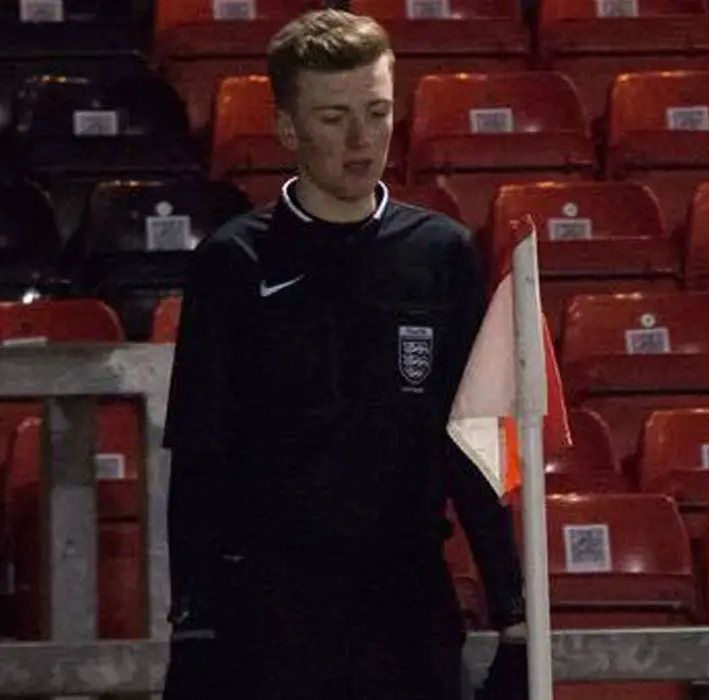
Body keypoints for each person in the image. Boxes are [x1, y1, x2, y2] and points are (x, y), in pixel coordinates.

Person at [161, 9, 527, 700]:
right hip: (270, 615)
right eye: (334, 118)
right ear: (287, 128)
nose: (362, 140)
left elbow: (474, 446)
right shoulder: (234, 262)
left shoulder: (441, 254)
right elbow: (201, 456)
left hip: (408, 608)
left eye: (378, 112)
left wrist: (513, 614)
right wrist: (194, 623)